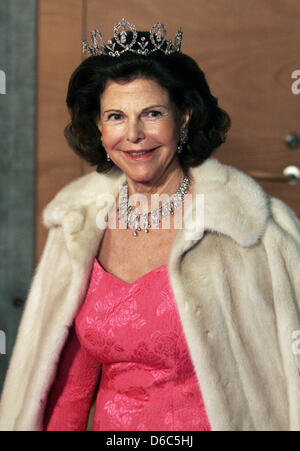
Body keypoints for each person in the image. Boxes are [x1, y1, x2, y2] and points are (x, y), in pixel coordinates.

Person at [0, 18, 299, 431]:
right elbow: (64, 390)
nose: (134, 135)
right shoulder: (79, 226)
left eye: (152, 113)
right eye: (117, 117)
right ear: (100, 128)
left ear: (185, 118)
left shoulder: (251, 232)